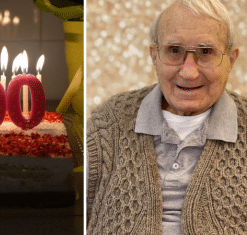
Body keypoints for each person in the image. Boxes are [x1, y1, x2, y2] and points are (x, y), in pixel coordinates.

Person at [86, 0, 247, 234]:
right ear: (154, 55)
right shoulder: (107, 124)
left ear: (230, 60)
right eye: (174, 51)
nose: (189, 72)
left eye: (205, 52)